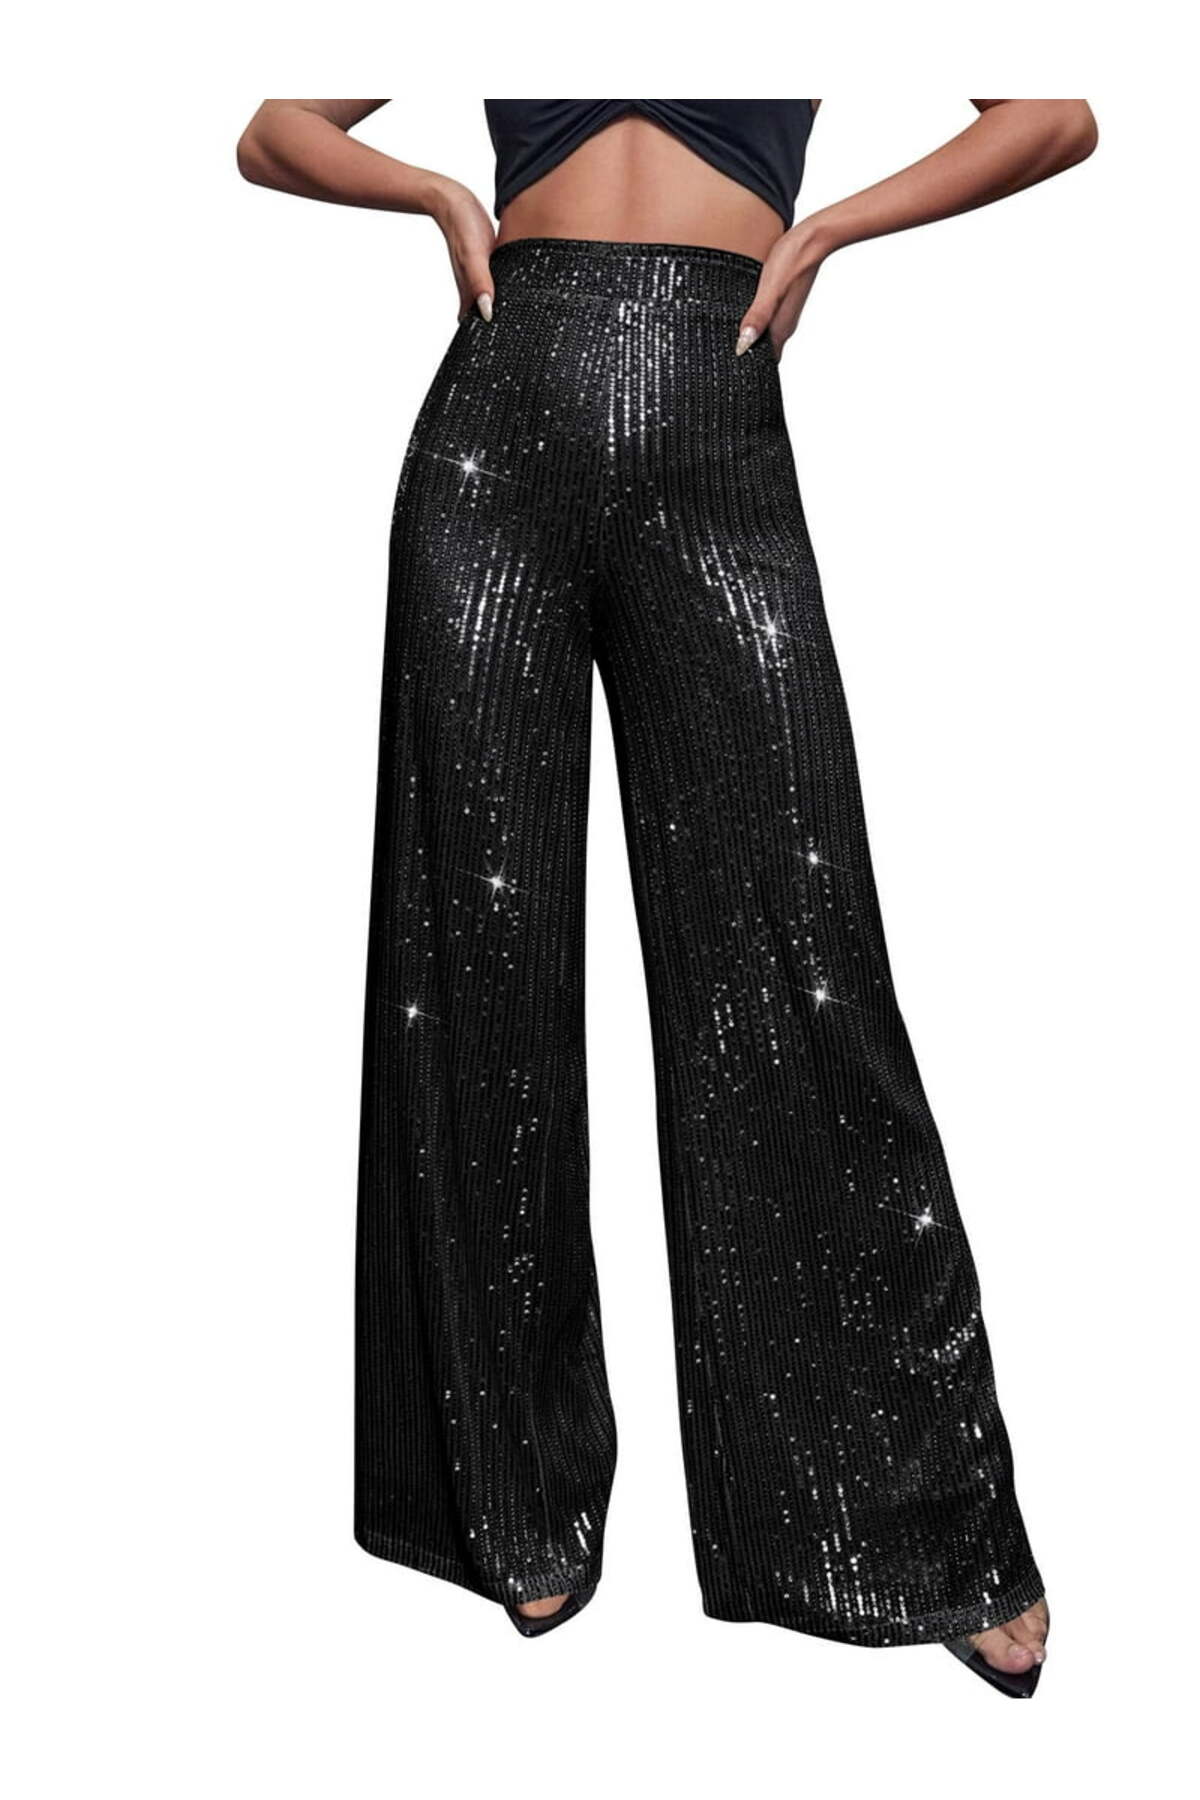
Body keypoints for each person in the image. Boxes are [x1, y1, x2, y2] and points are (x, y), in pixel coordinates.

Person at [237, 97, 1096, 1697]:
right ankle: (515, 1500)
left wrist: (832, 224)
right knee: (479, 963)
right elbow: (273, 129)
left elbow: (1055, 114)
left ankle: (918, 1530)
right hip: (496, 427)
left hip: (719, 415)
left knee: (800, 969)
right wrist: (435, 194)